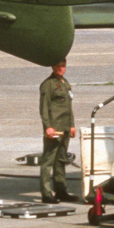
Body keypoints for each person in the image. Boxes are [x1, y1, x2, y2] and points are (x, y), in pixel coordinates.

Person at [39, 60, 76, 203]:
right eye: (58, 66)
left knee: (61, 161)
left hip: (65, 128)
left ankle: (61, 191)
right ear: (53, 67)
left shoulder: (65, 83)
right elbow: (43, 108)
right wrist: (47, 126)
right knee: (48, 161)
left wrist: (72, 125)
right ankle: (46, 193)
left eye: (63, 66)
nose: (61, 69)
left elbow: (68, 107)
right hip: (54, 128)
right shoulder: (48, 85)